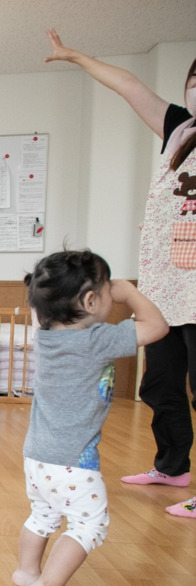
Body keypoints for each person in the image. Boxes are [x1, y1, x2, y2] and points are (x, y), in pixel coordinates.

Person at [45, 30, 196, 519]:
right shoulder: (180, 130)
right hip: (169, 281)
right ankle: (173, 465)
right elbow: (131, 86)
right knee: (162, 383)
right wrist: (78, 56)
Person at [13, 250, 168, 586]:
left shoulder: (45, 335)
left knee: (43, 514)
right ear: (90, 301)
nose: (113, 295)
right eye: (108, 289)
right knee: (89, 524)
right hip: (74, 460)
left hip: (37, 455)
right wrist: (130, 294)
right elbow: (157, 326)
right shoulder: (98, 339)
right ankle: (49, 585)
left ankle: (27, 571)